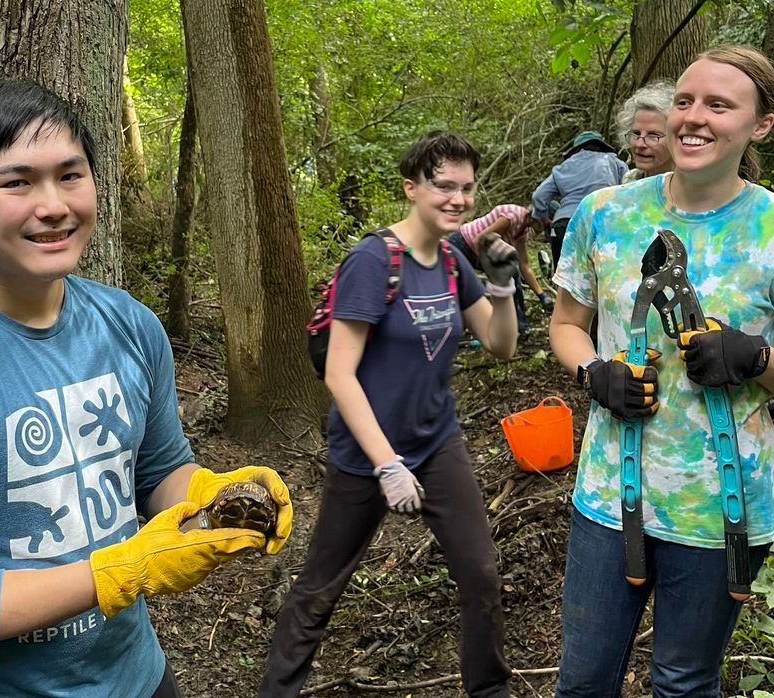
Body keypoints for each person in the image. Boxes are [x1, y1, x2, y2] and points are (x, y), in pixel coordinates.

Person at [0, 79, 293, 697]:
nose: (53, 205)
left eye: (71, 175)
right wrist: (119, 571)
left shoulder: (130, 326)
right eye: (17, 181)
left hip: (136, 675)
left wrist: (213, 496)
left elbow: (158, 470)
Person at [549, 45, 774, 696]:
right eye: (684, 100)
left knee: (683, 683)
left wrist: (755, 359)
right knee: (584, 681)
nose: (693, 118)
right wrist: (595, 372)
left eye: (719, 104)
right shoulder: (607, 214)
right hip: (608, 500)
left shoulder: (768, 227)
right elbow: (566, 323)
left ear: (760, 125)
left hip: (721, 511)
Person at [260, 131, 517, 698]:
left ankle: (490, 691)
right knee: (322, 587)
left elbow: (501, 347)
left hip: (437, 443)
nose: (457, 198)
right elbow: (339, 374)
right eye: (443, 186)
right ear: (412, 188)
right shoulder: (374, 261)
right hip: (365, 453)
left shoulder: (453, 261)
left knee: (480, 576)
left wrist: (502, 286)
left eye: (467, 188)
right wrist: (386, 465)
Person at [450, 203, 554, 337]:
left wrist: (542, 296)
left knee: (513, 271)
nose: (545, 231)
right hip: (462, 243)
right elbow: (479, 241)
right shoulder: (513, 217)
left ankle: (519, 327)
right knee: (456, 285)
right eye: (545, 226)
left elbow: (524, 266)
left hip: (475, 247)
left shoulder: (523, 230)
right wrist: (490, 270)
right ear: (538, 218)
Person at [532, 130, 628, 271]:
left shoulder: (562, 168)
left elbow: (538, 196)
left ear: (576, 150)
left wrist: (544, 219)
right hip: (602, 222)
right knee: (601, 277)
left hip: (565, 225)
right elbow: (628, 190)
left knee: (564, 280)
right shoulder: (615, 162)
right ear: (601, 145)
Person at [616, 80, 675, 183]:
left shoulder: (693, 190)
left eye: (653, 135)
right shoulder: (630, 181)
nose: (640, 144)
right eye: (636, 134)